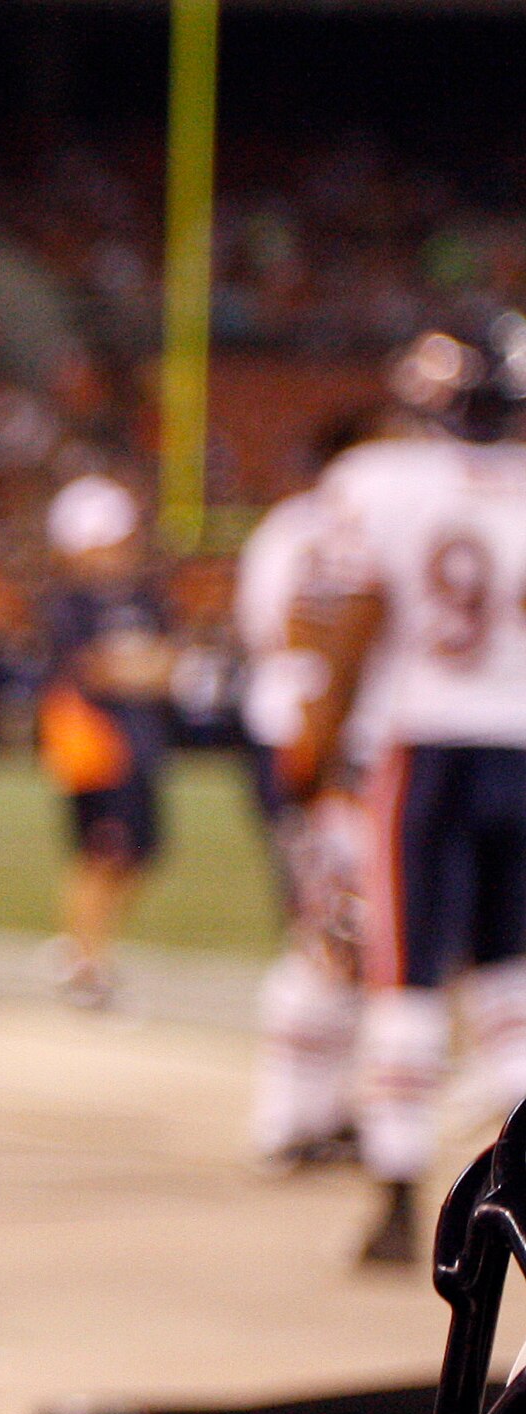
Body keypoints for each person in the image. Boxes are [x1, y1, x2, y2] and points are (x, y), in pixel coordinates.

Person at [298, 317, 526, 1266]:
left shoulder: (379, 481)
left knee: (408, 972)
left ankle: (397, 1200)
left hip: (423, 748)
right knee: (515, 976)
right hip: (520, 743)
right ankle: (520, 1191)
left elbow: (353, 619)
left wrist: (314, 741)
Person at [236, 414, 380, 1171]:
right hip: (315, 744)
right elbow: (282, 634)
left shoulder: (300, 530)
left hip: (323, 740)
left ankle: (324, 1109)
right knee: (326, 933)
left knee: (352, 938)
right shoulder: (308, 531)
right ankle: (287, 1120)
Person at [37, 476, 175, 1009]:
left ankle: (84, 949)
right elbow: (92, 670)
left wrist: (133, 670)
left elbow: (166, 664)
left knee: (142, 852)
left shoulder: (143, 597)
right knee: (101, 851)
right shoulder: (70, 603)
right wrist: (138, 670)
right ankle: (86, 961)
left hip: (141, 741)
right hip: (96, 745)